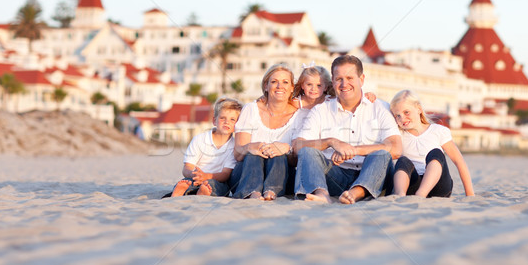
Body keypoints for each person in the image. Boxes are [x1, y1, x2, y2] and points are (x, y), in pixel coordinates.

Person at [293, 55, 402, 204]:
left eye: (350, 78)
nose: (344, 84)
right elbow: (297, 146)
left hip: (371, 174)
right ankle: (322, 194)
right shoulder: (320, 110)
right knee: (307, 151)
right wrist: (331, 142)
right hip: (334, 175)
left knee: (382, 154)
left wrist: (354, 150)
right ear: (333, 81)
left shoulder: (380, 107)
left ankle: (356, 193)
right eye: (339, 79)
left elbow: (396, 148)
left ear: (361, 79)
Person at [230, 63, 300, 200]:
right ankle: (252, 192)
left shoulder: (299, 115)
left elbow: (297, 161)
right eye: (274, 82)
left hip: (281, 175)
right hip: (246, 173)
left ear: (292, 88)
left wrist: (286, 149)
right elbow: (238, 154)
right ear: (266, 86)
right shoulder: (251, 109)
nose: (280, 86)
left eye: (285, 82)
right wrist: (251, 147)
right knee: (253, 154)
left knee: (278, 153)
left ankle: (272, 191)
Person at [389, 89, 474, 197]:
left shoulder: (438, 131)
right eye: (397, 116)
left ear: (419, 109)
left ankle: (422, 194)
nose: (402, 118)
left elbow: (459, 161)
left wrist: (470, 193)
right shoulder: (398, 135)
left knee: (436, 153)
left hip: (439, 186)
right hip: (412, 185)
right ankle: (400, 194)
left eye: (406, 112)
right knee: (402, 161)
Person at [168, 98, 243, 197]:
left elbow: (225, 174)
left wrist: (206, 177)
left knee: (214, 186)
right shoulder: (199, 139)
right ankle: (180, 191)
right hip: (195, 177)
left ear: (237, 124)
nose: (227, 122)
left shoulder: (234, 146)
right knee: (185, 182)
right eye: (222, 118)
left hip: (217, 180)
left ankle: (203, 192)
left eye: (232, 119)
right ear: (214, 121)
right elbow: (187, 167)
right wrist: (195, 175)